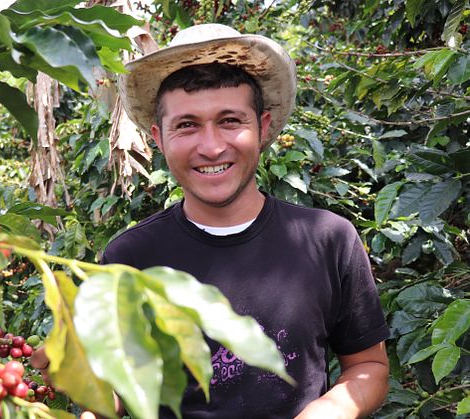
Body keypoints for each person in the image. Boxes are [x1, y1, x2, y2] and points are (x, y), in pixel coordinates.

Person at [35, 23, 390, 418]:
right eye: (186, 125)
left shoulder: (328, 240)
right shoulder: (130, 256)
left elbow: (367, 366)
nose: (212, 146)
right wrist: (79, 377)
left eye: (230, 121)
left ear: (263, 127)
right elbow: (116, 392)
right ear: (158, 137)